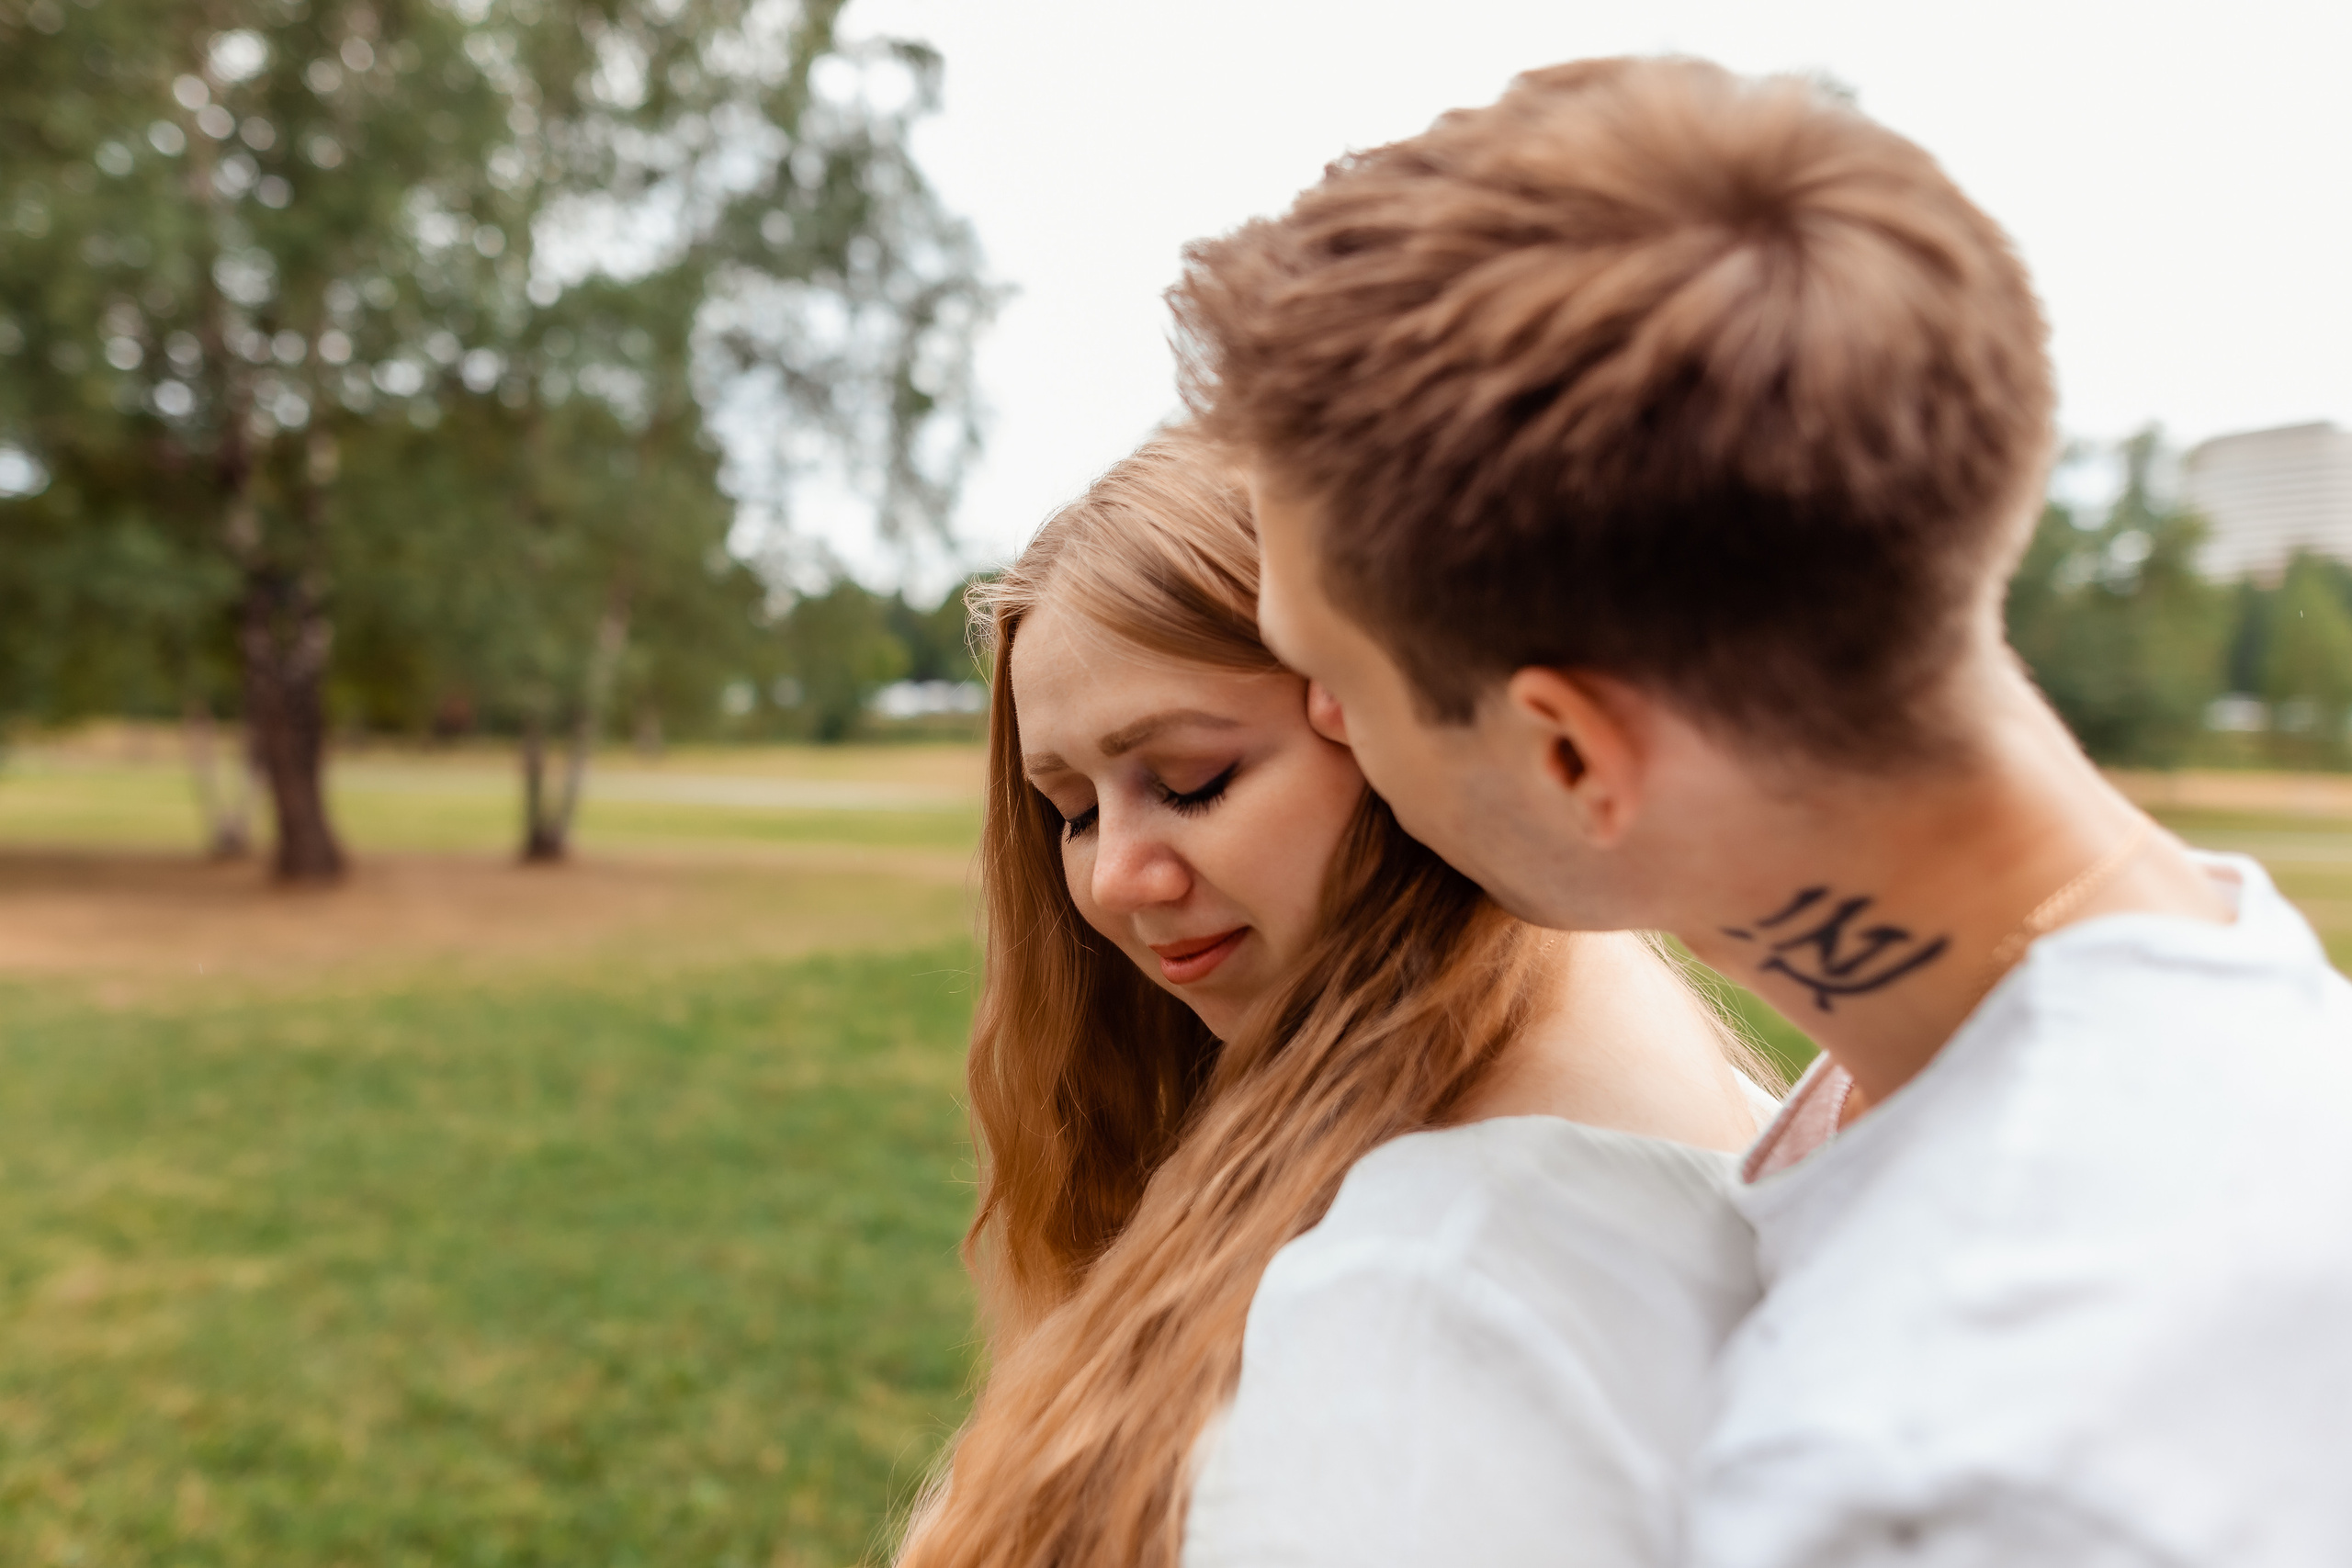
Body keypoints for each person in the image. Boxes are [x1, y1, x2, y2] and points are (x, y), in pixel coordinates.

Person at [1170, 53, 2352, 1568]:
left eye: (1333, 673)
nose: (1321, 724)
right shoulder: (2212, 1004)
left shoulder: (1954, 1442)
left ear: (1575, 753)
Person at [895, 432, 1774, 1568]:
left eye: (1188, 781)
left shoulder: (1433, 1293)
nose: (1113, 879)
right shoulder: (1619, 1073)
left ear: (1399, 726)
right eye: (1070, 811)